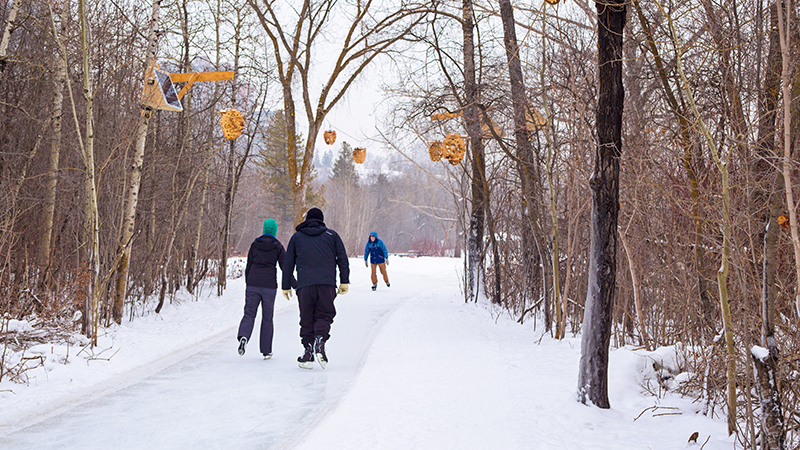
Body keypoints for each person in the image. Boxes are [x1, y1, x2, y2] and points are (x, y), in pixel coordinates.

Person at [281, 208, 349, 369]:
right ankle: (320, 339)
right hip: (327, 284)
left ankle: (308, 352)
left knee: (307, 317)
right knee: (324, 314)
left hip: (305, 286)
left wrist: (286, 285)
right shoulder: (332, 236)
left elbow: (288, 263)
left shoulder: (297, 237)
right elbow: (342, 258)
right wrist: (344, 281)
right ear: (321, 220)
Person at [237, 218, 294, 359]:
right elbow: (285, 267)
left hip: (253, 284)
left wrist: (248, 283)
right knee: (267, 317)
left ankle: (244, 336)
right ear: (275, 231)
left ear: (264, 229)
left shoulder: (255, 244)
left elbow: (249, 265)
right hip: (269, 286)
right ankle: (266, 350)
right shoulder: (277, 246)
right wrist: (295, 284)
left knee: (249, 313)